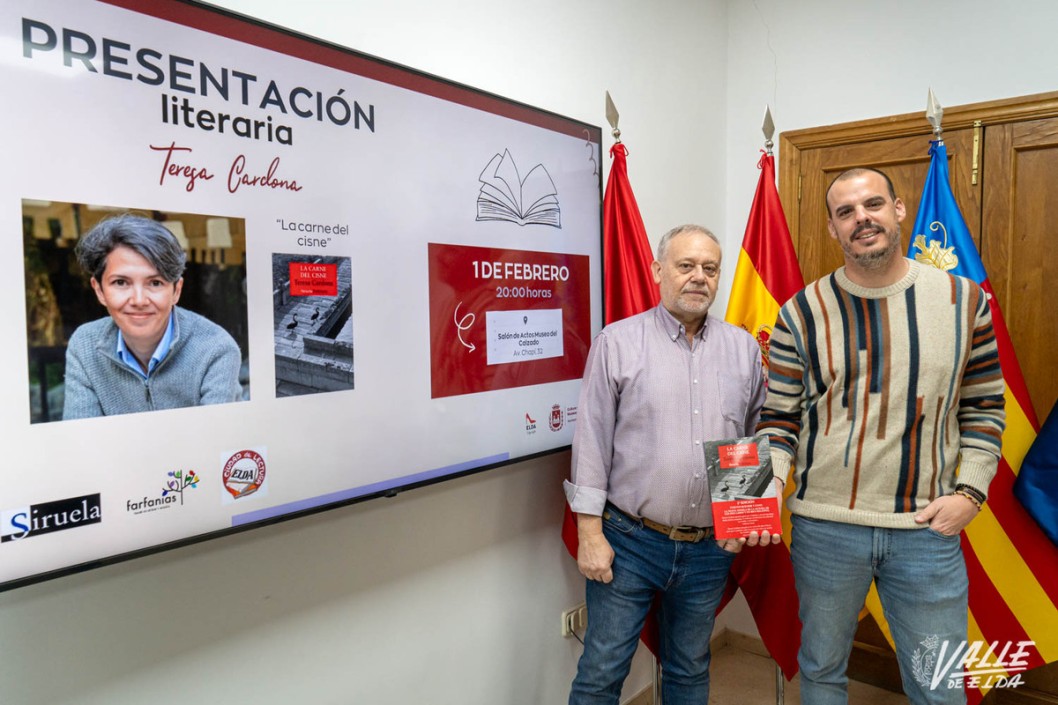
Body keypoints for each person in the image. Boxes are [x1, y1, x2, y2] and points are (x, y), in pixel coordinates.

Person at [756, 168, 1006, 704]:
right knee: (820, 670)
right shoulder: (799, 314)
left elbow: (984, 407)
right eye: (845, 212)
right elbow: (779, 420)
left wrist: (970, 494)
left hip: (925, 530)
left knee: (940, 685)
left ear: (898, 209)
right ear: (832, 228)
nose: (861, 219)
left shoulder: (966, 303)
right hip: (825, 528)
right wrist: (769, 487)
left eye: (872, 205)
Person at [565, 224, 778, 705]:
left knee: (689, 669)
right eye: (686, 266)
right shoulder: (617, 342)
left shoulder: (743, 349)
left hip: (708, 549)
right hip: (629, 541)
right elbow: (592, 439)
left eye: (709, 268)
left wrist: (743, 514)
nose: (698, 277)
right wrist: (589, 533)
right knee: (602, 671)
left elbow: (753, 432)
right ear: (658, 270)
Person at [63, 214, 243, 419]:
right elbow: (82, 443)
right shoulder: (85, 345)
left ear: (176, 291)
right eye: (121, 282)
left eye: (155, 283)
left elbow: (215, 442)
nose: (139, 300)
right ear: (99, 291)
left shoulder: (216, 349)